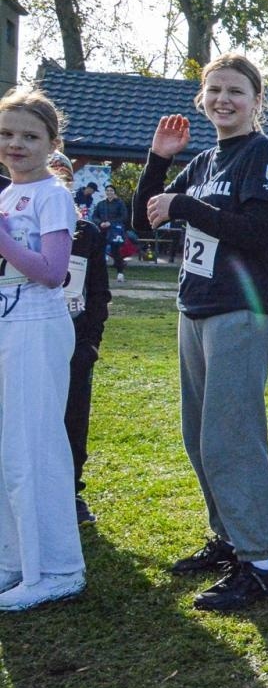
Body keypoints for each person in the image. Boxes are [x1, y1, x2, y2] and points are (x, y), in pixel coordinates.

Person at [133, 53, 268, 612]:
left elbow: (258, 233)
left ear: (255, 101)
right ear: (202, 98)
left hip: (241, 310)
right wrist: (157, 162)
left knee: (231, 437)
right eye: (214, 90)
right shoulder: (202, 161)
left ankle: (261, 565)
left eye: (236, 91)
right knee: (198, 436)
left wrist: (186, 206)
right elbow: (141, 218)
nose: (224, 99)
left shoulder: (262, 153)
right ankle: (228, 540)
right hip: (194, 306)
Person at [0, 91, 86, 610]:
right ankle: (15, 560)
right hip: (9, 324)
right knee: (9, 449)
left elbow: (53, 273)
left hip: (36, 325)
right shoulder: (6, 194)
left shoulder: (52, 195)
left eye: (29, 136)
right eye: (7, 134)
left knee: (35, 448)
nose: (15, 144)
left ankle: (57, 568)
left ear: (52, 144)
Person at [49, 150, 111, 527]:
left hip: (74, 340)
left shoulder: (85, 234)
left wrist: (91, 341)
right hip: (29, 335)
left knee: (73, 417)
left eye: (63, 177)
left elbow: (98, 292)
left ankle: (71, 492)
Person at [92, 185, 131, 282]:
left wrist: (111, 222)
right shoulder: (101, 204)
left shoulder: (119, 203)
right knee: (99, 252)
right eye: (107, 190)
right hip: (102, 230)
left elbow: (124, 217)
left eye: (111, 190)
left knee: (116, 252)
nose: (109, 192)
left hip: (115, 231)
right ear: (105, 192)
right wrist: (100, 223)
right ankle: (99, 275)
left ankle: (120, 273)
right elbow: (94, 216)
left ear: (114, 192)